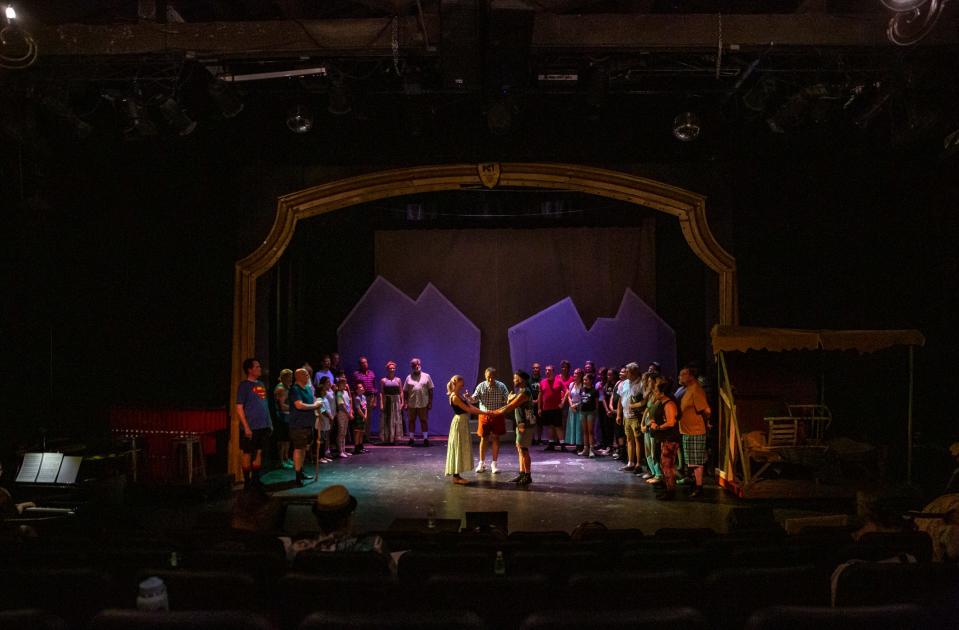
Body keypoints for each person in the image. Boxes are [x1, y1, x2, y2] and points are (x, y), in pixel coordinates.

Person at [281, 484, 394, 575]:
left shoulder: (298, 550)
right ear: (348, 517)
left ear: (318, 520)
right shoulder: (374, 546)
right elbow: (392, 577)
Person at [236, 358, 273, 489]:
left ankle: (256, 479)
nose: (259, 369)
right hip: (250, 427)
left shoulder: (261, 384)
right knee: (247, 452)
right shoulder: (244, 385)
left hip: (262, 426)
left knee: (258, 452)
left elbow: (264, 404)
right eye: (257, 367)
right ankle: (247, 481)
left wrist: (269, 422)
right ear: (249, 370)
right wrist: (246, 427)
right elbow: (239, 407)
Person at [495, 371, 534, 485]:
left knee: (524, 449)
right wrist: (511, 398)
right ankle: (522, 473)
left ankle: (528, 475)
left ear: (521, 379)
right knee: (520, 448)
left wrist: (494, 413)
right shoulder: (521, 391)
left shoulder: (525, 392)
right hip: (521, 424)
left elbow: (511, 406)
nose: (513, 380)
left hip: (525, 425)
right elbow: (512, 401)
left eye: (515, 378)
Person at [678, 365, 711, 497]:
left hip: (695, 430)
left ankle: (699, 487)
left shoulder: (696, 389)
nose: (680, 377)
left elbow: (707, 410)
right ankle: (694, 482)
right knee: (691, 460)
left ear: (691, 376)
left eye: (683, 374)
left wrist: (706, 422)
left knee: (697, 461)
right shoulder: (688, 389)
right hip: (687, 430)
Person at [470, 367, 511, 474]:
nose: (490, 380)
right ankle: (482, 463)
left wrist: (510, 398)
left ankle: (494, 464)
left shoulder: (501, 386)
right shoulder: (481, 386)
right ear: (485, 376)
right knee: (484, 438)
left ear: (495, 377)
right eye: (488, 377)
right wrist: (468, 398)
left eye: (492, 377)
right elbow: (474, 399)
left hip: (497, 415)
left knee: (496, 438)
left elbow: (507, 400)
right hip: (484, 415)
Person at [445, 375, 484, 485]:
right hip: (459, 422)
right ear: (456, 382)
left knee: (460, 446)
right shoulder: (454, 397)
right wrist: (485, 413)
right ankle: (456, 477)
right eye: (461, 382)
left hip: (462, 421)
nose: (463, 384)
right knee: (458, 446)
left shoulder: (459, 395)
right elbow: (468, 409)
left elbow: (470, 406)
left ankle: (457, 476)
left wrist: (484, 411)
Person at [288, 368, 322, 485]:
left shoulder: (307, 388)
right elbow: (299, 405)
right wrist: (314, 405)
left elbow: (313, 401)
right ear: (297, 376)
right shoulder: (295, 389)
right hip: (298, 424)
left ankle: (300, 470)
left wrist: (317, 406)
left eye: (307, 373)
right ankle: (297, 475)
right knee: (299, 448)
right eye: (304, 374)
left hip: (308, 423)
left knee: (304, 448)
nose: (307, 375)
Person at [649, 378, 681, 500]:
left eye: (656, 390)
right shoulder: (663, 403)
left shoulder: (669, 404)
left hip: (670, 438)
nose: (654, 392)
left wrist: (657, 427)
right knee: (665, 464)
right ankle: (668, 488)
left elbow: (671, 422)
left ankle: (671, 491)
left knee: (668, 465)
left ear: (662, 393)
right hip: (665, 438)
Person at [617, 362, 644, 473]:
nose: (625, 373)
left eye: (627, 371)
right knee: (629, 439)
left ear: (633, 372)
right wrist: (619, 414)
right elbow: (620, 399)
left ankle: (638, 463)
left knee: (638, 440)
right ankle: (630, 462)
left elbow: (645, 400)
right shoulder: (624, 383)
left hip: (635, 416)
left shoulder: (641, 383)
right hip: (626, 415)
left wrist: (636, 406)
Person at [639, 372, 665, 486]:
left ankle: (659, 475)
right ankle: (653, 472)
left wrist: (648, 424)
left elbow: (656, 413)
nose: (648, 383)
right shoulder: (651, 395)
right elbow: (647, 409)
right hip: (646, 426)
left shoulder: (658, 395)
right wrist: (642, 423)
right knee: (648, 451)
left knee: (654, 452)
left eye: (650, 381)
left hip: (653, 426)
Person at [403, 358, 434, 447]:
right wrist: (405, 403)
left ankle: (425, 439)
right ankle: (411, 439)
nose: (417, 366)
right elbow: (405, 391)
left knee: (423, 421)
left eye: (418, 364)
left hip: (423, 403)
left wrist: (430, 402)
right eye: (414, 365)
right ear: (412, 367)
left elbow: (431, 390)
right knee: (411, 421)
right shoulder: (409, 377)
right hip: (411, 403)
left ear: (420, 365)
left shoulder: (426, 376)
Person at [538, 364, 568, 452]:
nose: (547, 372)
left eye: (549, 370)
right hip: (546, 408)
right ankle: (551, 444)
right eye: (546, 370)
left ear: (553, 371)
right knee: (549, 426)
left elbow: (567, 392)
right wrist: (539, 408)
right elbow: (540, 396)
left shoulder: (559, 381)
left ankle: (562, 444)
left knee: (558, 426)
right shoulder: (542, 382)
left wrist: (562, 403)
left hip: (556, 408)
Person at [351, 356, 377, 450]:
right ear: (359, 364)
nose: (364, 364)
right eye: (362, 363)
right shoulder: (356, 374)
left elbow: (374, 388)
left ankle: (367, 437)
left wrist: (374, 400)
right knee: (361, 417)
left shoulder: (371, 373)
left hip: (369, 397)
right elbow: (354, 388)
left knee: (368, 418)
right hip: (360, 396)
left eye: (365, 362)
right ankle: (359, 441)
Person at [379, 361, 404, 445]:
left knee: (395, 419)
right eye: (390, 368)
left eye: (393, 368)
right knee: (387, 419)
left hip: (396, 400)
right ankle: (387, 437)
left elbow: (401, 392)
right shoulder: (383, 380)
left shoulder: (398, 380)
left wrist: (402, 402)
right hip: (387, 400)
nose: (392, 370)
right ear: (387, 369)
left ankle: (395, 437)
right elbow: (381, 393)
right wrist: (382, 403)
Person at [273, 368, 293, 469]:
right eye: (289, 377)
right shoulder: (281, 388)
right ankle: (281, 460)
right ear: (284, 377)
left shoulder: (287, 387)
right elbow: (282, 405)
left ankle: (286, 458)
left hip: (287, 416)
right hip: (282, 417)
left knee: (287, 439)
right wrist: (294, 407)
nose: (291, 379)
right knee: (282, 440)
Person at [563, 368, 585, 455]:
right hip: (572, 408)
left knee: (579, 426)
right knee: (573, 426)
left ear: (580, 375)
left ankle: (581, 445)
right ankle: (576, 445)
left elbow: (584, 398)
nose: (574, 375)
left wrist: (576, 405)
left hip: (580, 407)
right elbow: (568, 395)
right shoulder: (572, 384)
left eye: (576, 374)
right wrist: (571, 404)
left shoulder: (583, 385)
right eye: (574, 373)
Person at [315, 376, 334, 465]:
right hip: (321, 422)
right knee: (321, 440)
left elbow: (328, 408)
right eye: (323, 390)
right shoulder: (319, 399)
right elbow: (323, 410)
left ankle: (323, 456)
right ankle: (319, 457)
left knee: (325, 438)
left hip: (326, 422)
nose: (325, 391)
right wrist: (329, 417)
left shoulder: (325, 398)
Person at [580, 372, 599, 457]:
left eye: (586, 379)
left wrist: (595, 412)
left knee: (590, 431)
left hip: (590, 412)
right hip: (583, 412)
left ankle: (592, 449)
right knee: (585, 431)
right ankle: (585, 449)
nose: (584, 381)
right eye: (583, 379)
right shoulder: (582, 389)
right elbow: (581, 400)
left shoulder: (594, 391)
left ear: (591, 380)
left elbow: (596, 404)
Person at [334, 377, 353, 459]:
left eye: (345, 383)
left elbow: (349, 402)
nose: (344, 385)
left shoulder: (345, 392)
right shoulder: (339, 393)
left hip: (347, 414)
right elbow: (341, 405)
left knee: (344, 432)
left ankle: (343, 450)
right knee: (341, 432)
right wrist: (348, 413)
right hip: (342, 414)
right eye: (342, 383)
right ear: (339, 384)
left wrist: (351, 411)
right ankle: (340, 451)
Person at [351, 382, 368, 454]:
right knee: (358, 432)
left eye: (362, 387)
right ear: (357, 390)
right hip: (359, 416)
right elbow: (358, 409)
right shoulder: (357, 398)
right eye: (360, 387)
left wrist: (366, 415)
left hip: (363, 416)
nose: (362, 388)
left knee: (362, 432)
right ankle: (356, 447)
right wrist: (363, 416)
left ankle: (361, 446)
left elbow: (365, 407)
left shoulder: (363, 397)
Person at [528, 363, 542, 445]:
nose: (535, 369)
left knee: (540, 423)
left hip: (540, 404)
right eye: (534, 368)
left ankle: (539, 439)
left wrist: (538, 400)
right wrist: (532, 400)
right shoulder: (529, 380)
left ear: (539, 369)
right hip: (531, 404)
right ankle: (532, 439)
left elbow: (543, 392)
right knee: (531, 422)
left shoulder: (542, 380)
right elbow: (527, 392)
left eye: (537, 368)